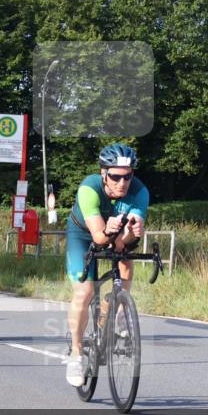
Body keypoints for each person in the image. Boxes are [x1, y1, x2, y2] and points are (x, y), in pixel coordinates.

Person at [64, 143, 148, 387]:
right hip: (83, 234)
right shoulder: (89, 189)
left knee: (126, 263)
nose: (122, 183)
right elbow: (100, 239)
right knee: (85, 291)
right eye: (115, 177)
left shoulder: (140, 192)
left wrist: (132, 233)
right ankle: (76, 355)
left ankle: (116, 314)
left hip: (115, 232)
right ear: (104, 174)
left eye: (128, 177)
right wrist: (108, 231)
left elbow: (120, 244)